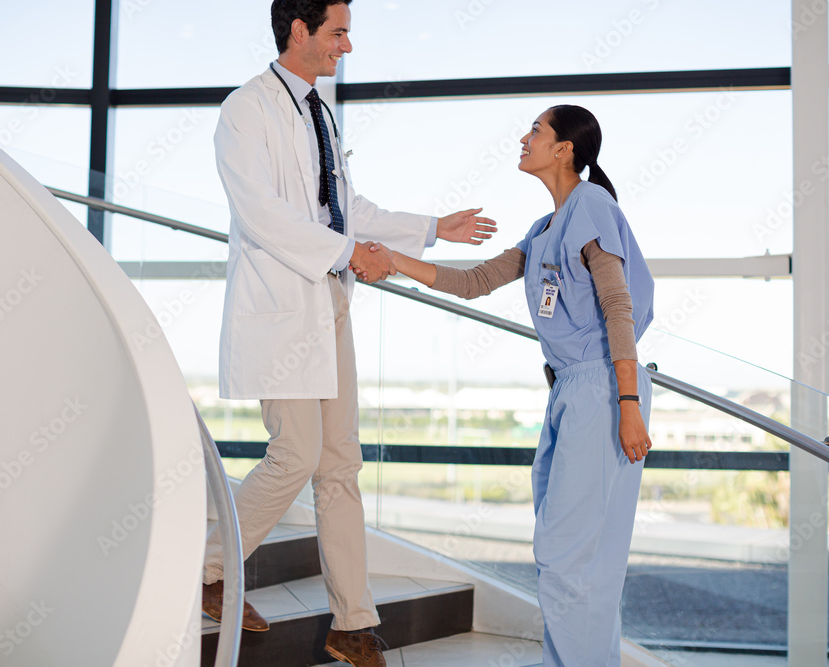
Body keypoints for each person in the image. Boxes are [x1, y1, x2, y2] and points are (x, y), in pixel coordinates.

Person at [202, 1, 496, 665]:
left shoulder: (319, 112)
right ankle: (209, 566)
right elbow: (263, 215)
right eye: (339, 31)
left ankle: (352, 621)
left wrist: (428, 227)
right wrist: (349, 252)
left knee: (340, 465)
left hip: (329, 302)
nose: (348, 46)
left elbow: (344, 205)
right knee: (297, 455)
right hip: (284, 307)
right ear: (298, 29)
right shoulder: (245, 110)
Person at [375, 104, 654, 666]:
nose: (523, 139)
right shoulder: (545, 228)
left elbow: (617, 306)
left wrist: (628, 404)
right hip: (571, 393)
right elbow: (474, 281)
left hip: (604, 388)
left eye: (536, 130)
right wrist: (392, 259)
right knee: (573, 557)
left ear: (565, 149)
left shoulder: (593, 206)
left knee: (567, 556)